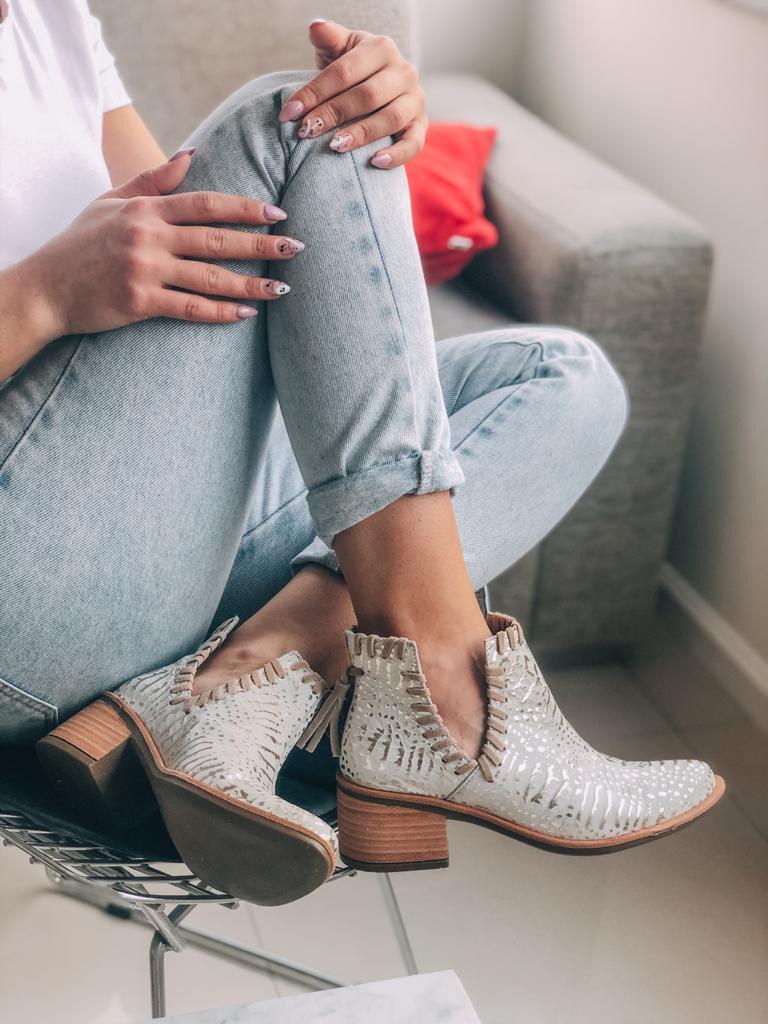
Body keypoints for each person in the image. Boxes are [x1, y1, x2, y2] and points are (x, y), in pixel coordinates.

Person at [1, 2, 722, 905]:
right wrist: (40, 295)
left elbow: (197, 235)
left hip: (143, 539)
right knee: (290, 121)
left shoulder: (48, 14)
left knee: (566, 379)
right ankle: (448, 699)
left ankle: (239, 677)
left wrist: (369, 123)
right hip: (28, 588)